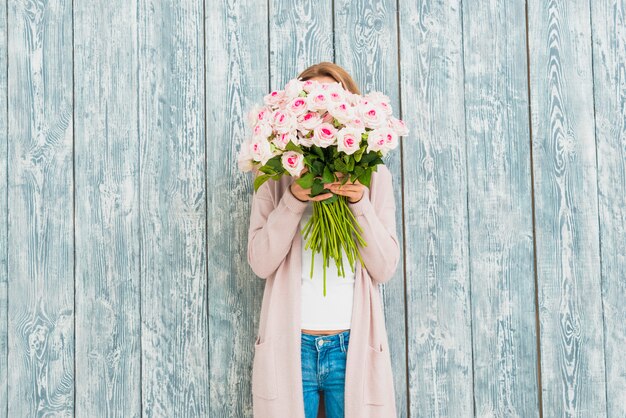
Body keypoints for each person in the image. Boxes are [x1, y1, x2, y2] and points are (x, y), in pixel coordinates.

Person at [247, 62, 399, 418]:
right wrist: (295, 198)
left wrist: (359, 202)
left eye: (330, 99)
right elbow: (260, 261)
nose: (320, 108)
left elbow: (385, 267)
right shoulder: (275, 174)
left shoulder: (373, 176)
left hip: (352, 345)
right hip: (292, 343)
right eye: (310, 98)